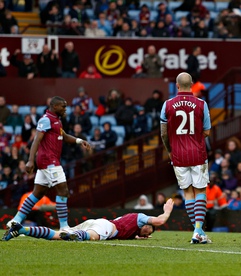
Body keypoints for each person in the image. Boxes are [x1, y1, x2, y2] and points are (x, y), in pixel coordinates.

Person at [4, 96, 92, 234]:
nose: (65, 109)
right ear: (55, 106)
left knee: (38, 192)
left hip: (48, 161)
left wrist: (80, 141)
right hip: (49, 161)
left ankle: (15, 220)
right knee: (63, 191)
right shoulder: (46, 120)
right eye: (63, 106)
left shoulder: (57, 120)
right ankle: (64, 227)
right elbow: (36, 140)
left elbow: (65, 136)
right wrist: (30, 160)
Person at [160, 72, 211, 244]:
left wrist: (170, 150)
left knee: (188, 192)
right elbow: (207, 131)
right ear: (192, 85)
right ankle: (198, 231)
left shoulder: (167, 104)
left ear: (177, 85)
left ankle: (198, 232)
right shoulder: (201, 104)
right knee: (200, 191)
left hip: (178, 155)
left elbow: (163, 133)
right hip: (197, 153)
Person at [3, 199, 174, 241]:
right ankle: (77, 236)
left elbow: (134, 234)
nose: (146, 232)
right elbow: (158, 221)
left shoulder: (132, 230)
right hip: (105, 227)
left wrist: (139, 237)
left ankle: (22, 229)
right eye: (147, 230)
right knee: (90, 237)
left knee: (58, 235)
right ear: (146, 225)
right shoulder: (141, 218)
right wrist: (166, 213)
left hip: (97, 222)